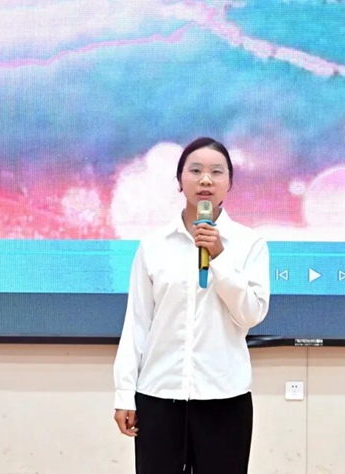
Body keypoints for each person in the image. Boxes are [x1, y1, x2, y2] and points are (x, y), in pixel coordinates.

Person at [112, 137, 271, 474]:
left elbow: (251, 314)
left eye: (217, 172)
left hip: (224, 397)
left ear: (230, 182)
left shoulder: (249, 244)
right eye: (195, 171)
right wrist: (125, 393)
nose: (205, 180)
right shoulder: (154, 245)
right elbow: (137, 323)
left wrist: (219, 257)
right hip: (159, 395)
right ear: (179, 180)